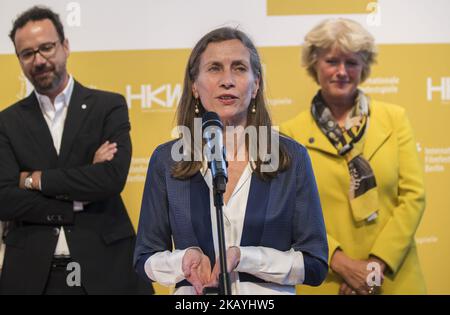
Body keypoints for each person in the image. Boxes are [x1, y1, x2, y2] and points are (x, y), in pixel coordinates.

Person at [134, 27, 328, 295]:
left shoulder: (290, 158)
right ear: (194, 85)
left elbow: (316, 264)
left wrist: (244, 257)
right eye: (214, 68)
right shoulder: (167, 160)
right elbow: (144, 258)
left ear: (256, 83)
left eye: (239, 68)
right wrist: (183, 260)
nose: (227, 80)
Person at [0, 6, 153, 295]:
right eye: (28, 53)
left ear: (65, 46)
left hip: (106, 267)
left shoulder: (108, 107)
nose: (39, 60)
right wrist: (76, 196)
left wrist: (33, 180)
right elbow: (4, 199)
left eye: (46, 47)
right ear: (19, 60)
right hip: (31, 274)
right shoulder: (6, 122)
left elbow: (110, 179)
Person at [281, 18, 426, 295]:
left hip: (394, 279)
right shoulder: (290, 133)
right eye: (332, 61)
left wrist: (375, 266)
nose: (342, 72)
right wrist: (344, 264)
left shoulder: (395, 119)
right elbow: (292, 213)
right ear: (314, 64)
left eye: (352, 62)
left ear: (364, 66)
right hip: (327, 278)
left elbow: (413, 197)